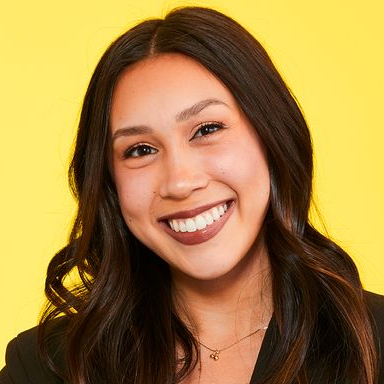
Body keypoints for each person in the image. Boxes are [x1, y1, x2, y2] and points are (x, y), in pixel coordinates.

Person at [1, 6, 383, 384]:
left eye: (207, 129)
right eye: (140, 150)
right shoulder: (44, 366)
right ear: (110, 184)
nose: (180, 182)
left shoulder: (374, 342)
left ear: (271, 135)